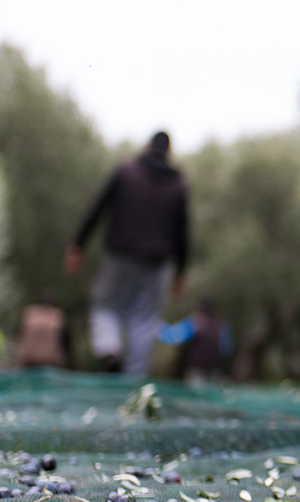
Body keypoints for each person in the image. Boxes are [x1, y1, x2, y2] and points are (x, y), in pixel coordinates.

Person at [64, 131, 190, 376]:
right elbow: (183, 234)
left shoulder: (126, 171)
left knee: (105, 306)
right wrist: (180, 273)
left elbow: (97, 208)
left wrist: (78, 245)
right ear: (169, 153)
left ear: (147, 146)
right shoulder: (178, 185)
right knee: (143, 321)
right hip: (156, 264)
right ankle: (132, 382)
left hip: (119, 256)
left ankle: (109, 349)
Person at [160, 297, 233, 381]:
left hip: (197, 371)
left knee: (195, 393)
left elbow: (174, 337)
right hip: (216, 371)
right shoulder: (222, 326)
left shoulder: (195, 323)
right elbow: (227, 350)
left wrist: (158, 328)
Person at [14, 289, 71, 369]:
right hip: (50, 359)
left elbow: (20, 333)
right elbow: (65, 340)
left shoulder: (29, 313)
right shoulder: (57, 316)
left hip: (28, 357)